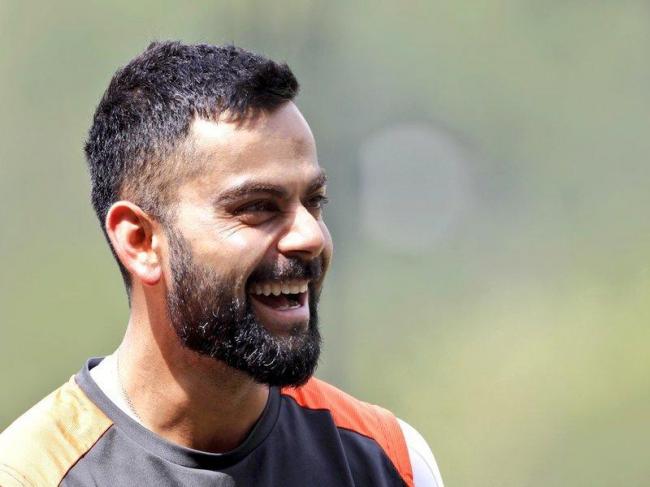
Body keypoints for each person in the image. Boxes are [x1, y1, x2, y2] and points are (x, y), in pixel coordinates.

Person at [0, 41, 444, 487]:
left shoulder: (388, 459)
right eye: (257, 207)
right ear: (140, 241)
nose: (310, 237)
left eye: (315, 202)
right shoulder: (33, 475)